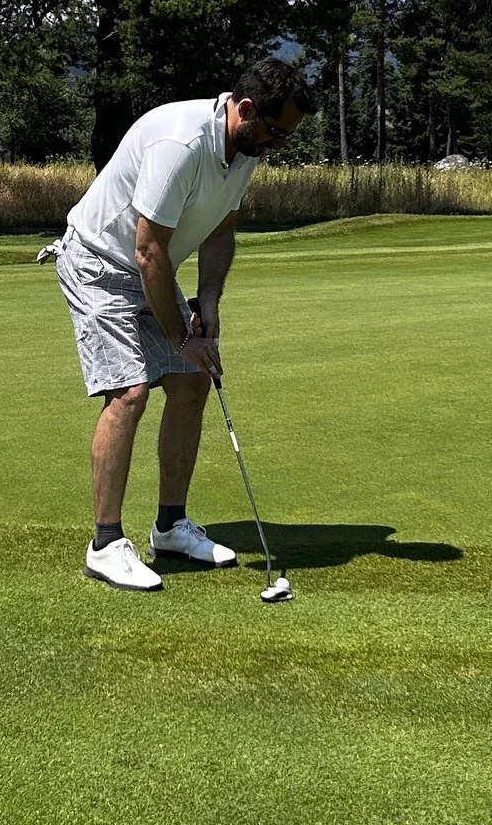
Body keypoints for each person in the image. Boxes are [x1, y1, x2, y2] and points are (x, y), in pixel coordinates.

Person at [54, 56, 309, 590]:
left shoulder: (243, 147)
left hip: (148, 263)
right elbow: (147, 249)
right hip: (100, 262)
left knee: (192, 382)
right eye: (275, 133)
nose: (277, 147)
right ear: (244, 110)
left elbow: (221, 229)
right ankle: (105, 544)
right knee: (129, 391)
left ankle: (170, 527)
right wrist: (180, 336)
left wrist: (209, 300)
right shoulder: (182, 144)